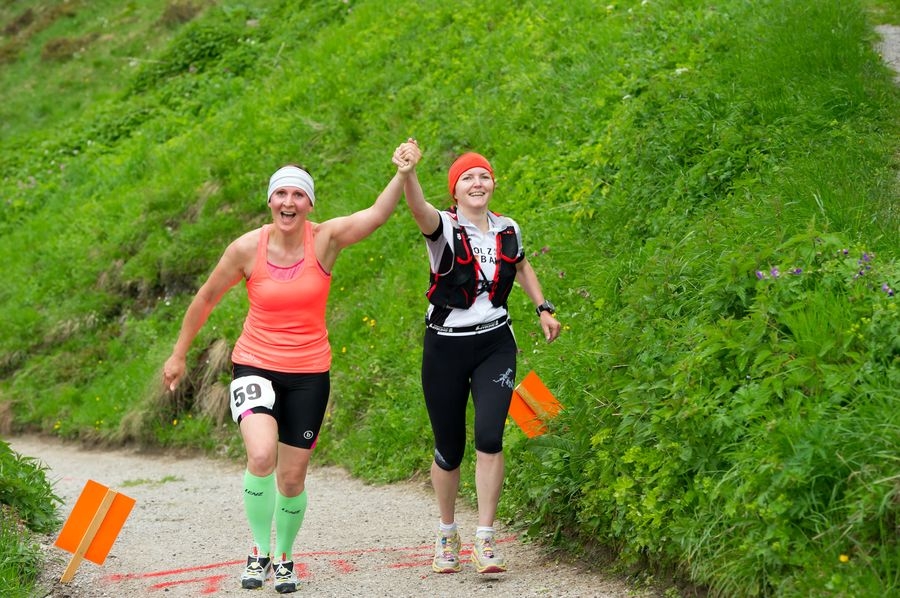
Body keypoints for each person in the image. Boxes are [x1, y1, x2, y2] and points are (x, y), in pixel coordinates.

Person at [162, 140, 422, 593]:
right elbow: (206, 298)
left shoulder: (325, 240)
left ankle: (283, 557)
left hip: (309, 374)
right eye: (281, 193)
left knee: (292, 476)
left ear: (309, 203)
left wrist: (403, 173)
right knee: (262, 455)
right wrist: (178, 354)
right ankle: (258, 551)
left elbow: (376, 216)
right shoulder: (247, 248)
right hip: (255, 365)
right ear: (270, 201)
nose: (289, 202)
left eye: (298, 194)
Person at [400, 144, 562, 575]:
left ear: (493, 184)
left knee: (490, 437)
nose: (477, 183)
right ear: (455, 191)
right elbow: (417, 208)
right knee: (449, 449)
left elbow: (521, 266)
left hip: (494, 344)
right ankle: (447, 531)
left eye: (484, 176)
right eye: (467, 178)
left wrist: (543, 308)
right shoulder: (443, 228)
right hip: (445, 347)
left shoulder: (508, 228)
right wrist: (408, 173)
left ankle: (485, 539)